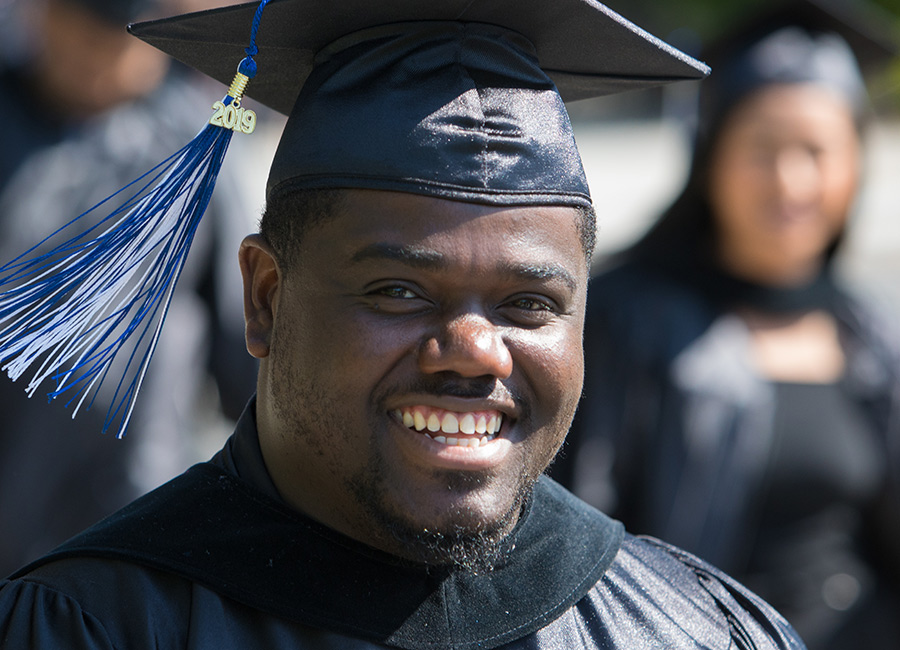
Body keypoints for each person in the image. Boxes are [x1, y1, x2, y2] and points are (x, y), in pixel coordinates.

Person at [0, 0, 805, 647]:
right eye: (399, 290)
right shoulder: (91, 625)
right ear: (266, 300)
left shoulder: (691, 629)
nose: (474, 351)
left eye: (529, 305)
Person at [550, 1, 900, 648]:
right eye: (762, 147)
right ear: (711, 156)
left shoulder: (871, 335)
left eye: (817, 150)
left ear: (855, 164)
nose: (790, 181)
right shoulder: (625, 322)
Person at [0, 0, 258, 576]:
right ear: (40, 15)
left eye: (116, 41)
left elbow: (248, 352)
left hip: (133, 511)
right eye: (79, 30)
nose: (95, 58)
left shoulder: (197, 146)